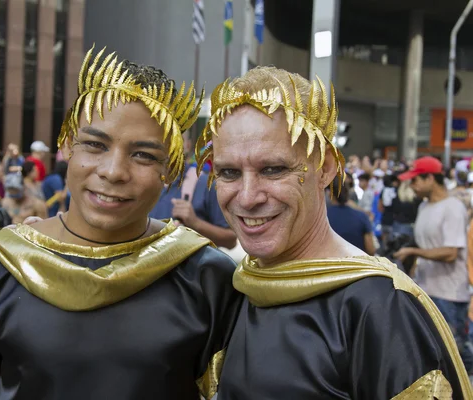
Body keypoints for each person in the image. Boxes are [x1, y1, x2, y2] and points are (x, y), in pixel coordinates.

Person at [0, 46, 240, 399]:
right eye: (95, 145)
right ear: (68, 147)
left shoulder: (207, 278)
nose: (113, 172)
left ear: (170, 170)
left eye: (143, 155)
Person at [193, 67, 472, 398]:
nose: (248, 196)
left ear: (325, 168)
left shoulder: (379, 308)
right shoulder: (238, 289)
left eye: (273, 169)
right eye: (228, 172)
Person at [394, 156, 473, 374]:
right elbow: (424, 244)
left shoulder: (453, 208)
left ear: (430, 178)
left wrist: (413, 251)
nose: (412, 186)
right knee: (432, 355)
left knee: (453, 356)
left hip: (448, 294)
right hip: (425, 288)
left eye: (416, 180)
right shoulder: (424, 207)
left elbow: (450, 253)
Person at [149, 136, 237, 249]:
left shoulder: (205, 184)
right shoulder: (142, 184)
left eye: (176, 139)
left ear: (188, 145)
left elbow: (231, 241)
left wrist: (195, 223)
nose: (170, 146)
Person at [327, 177, 376, 255]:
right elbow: (371, 250)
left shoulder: (323, 218)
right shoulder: (361, 217)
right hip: (357, 264)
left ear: (330, 194)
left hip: (330, 264)